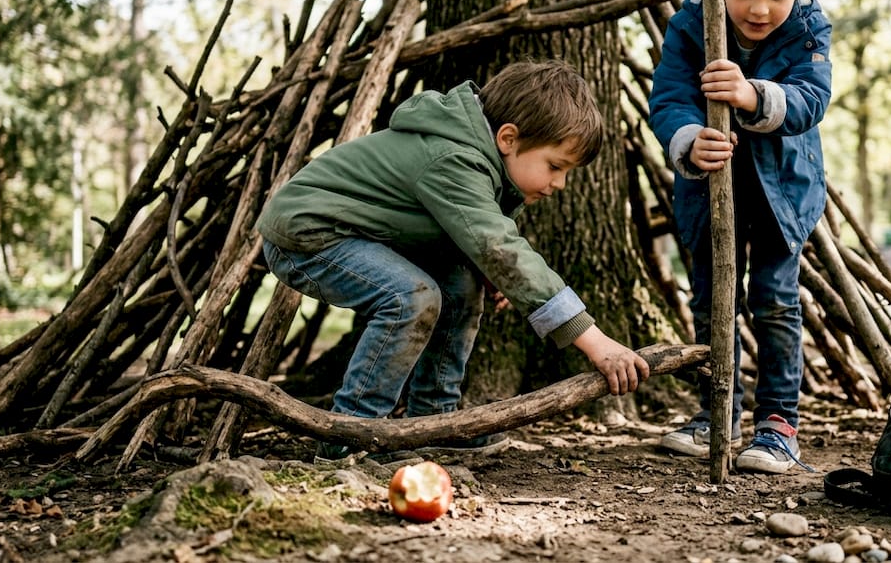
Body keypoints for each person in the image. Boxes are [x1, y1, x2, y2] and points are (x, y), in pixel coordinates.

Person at [256, 60, 651, 461]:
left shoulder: (479, 159)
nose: (559, 184)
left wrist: (487, 270)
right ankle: (354, 435)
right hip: (309, 236)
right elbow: (497, 244)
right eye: (555, 166)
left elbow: (473, 231)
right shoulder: (453, 158)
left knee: (461, 287)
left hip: (362, 235)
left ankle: (435, 421)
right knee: (411, 299)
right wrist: (592, 339)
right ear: (508, 138)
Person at [647, 0, 832, 473]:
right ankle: (717, 414)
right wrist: (689, 140)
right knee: (710, 305)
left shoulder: (808, 26)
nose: (759, 9)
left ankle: (778, 424)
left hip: (782, 196)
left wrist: (754, 96)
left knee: (775, 303)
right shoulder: (691, 24)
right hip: (709, 195)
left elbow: (812, 98)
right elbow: (670, 98)